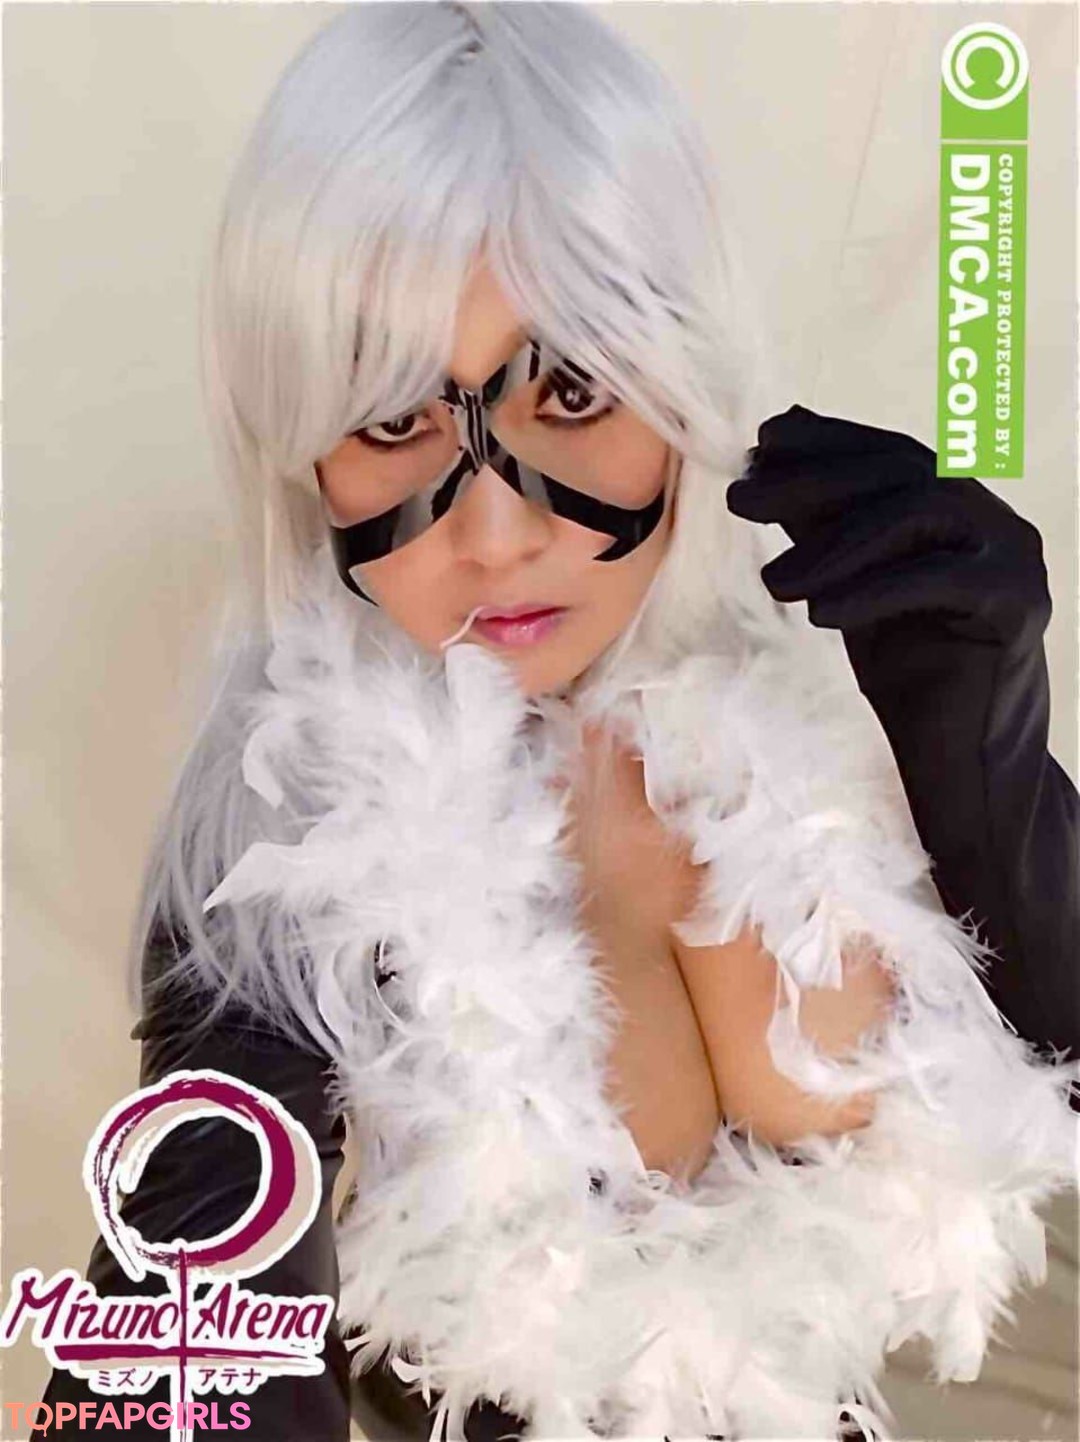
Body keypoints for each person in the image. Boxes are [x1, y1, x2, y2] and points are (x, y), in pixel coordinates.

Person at [36, 5, 1078, 1440]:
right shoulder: (288, 845)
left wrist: (986, 757)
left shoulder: (828, 652)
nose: (496, 533)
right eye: (391, 419)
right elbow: (189, 1325)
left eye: (572, 392)